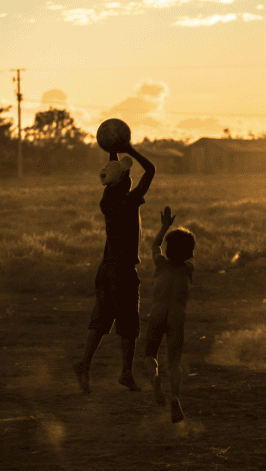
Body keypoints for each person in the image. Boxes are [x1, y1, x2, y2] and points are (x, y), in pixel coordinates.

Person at [73, 143, 155, 393]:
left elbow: (116, 172)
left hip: (106, 269)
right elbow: (150, 170)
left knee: (101, 319)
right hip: (123, 271)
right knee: (129, 324)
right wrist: (129, 147)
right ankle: (126, 373)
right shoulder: (129, 202)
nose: (130, 177)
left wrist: (113, 148)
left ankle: (85, 364)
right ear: (122, 181)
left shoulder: (108, 198)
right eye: (126, 175)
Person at [143, 206, 195, 424]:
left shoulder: (161, 265)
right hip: (176, 316)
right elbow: (187, 255)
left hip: (157, 312)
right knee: (174, 361)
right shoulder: (188, 269)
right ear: (189, 253)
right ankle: (175, 396)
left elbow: (155, 245)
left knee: (150, 355)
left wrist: (165, 226)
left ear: (169, 250)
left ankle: (155, 378)